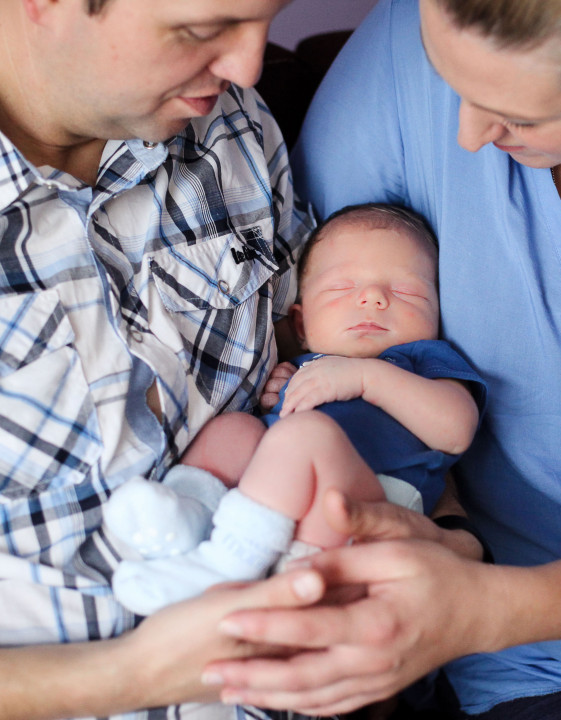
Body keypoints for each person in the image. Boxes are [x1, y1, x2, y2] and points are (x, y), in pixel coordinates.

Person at [195, 1, 561, 719]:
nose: (465, 134)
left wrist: (479, 607)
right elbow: (317, 321)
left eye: (520, 116)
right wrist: (441, 525)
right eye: (451, 81)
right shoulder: (404, 48)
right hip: (431, 606)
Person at [0, 0, 342, 718]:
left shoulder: (235, 130)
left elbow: (304, 361)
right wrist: (130, 677)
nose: (250, 65)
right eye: (200, 28)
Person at [103, 203, 485, 617]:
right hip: (272, 508)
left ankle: (225, 564)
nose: (373, 298)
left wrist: (364, 379)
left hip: (366, 515)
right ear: (301, 326)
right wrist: (281, 397)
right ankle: (190, 518)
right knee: (234, 429)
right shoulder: (305, 368)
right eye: (342, 288)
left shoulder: (422, 361)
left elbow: (456, 429)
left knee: (305, 434)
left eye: (407, 291)